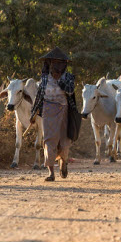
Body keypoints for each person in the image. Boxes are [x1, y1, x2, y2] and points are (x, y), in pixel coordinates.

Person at [29, 47, 76, 181]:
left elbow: (70, 91)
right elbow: (39, 97)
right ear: (49, 63)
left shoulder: (69, 77)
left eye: (60, 63)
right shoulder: (44, 78)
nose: (58, 65)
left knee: (64, 141)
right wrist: (33, 113)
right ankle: (51, 173)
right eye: (55, 62)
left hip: (64, 111)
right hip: (48, 111)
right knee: (49, 140)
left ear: (64, 64)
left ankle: (64, 161)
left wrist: (60, 80)